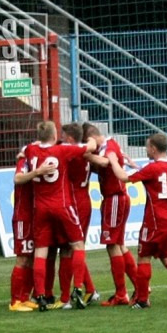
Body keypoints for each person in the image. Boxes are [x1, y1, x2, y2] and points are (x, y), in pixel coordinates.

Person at [107, 133, 167, 309]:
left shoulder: (151, 169)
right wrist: (134, 166)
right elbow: (156, 175)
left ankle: (142, 299)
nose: (146, 149)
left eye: (147, 147)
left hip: (155, 221)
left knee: (143, 257)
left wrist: (113, 161)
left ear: (153, 149)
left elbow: (123, 177)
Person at [24, 120, 98, 311]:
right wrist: (93, 139)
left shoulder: (31, 149)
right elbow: (91, 148)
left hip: (42, 206)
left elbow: (25, 151)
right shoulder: (64, 150)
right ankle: (77, 289)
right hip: (65, 204)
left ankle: (41, 295)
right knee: (75, 246)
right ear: (54, 135)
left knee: (43, 251)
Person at [83, 123, 138, 306]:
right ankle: (140, 286)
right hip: (116, 198)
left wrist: (85, 155)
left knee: (112, 244)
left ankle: (121, 294)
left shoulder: (108, 149)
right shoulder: (110, 144)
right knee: (119, 244)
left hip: (114, 198)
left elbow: (106, 162)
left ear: (91, 138)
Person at [60, 122, 101, 308]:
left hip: (74, 201)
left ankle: (69, 295)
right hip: (85, 199)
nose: (61, 139)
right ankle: (90, 290)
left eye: (63, 137)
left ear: (70, 139)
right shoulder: (87, 152)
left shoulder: (71, 153)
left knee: (70, 248)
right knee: (76, 247)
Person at [8, 150, 53, 312]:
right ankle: (15, 301)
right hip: (23, 217)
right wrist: (37, 172)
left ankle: (24, 297)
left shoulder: (42, 161)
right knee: (23, 258)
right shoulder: (25, 161)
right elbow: (17, 178)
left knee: (33, 258)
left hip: (36, 216)